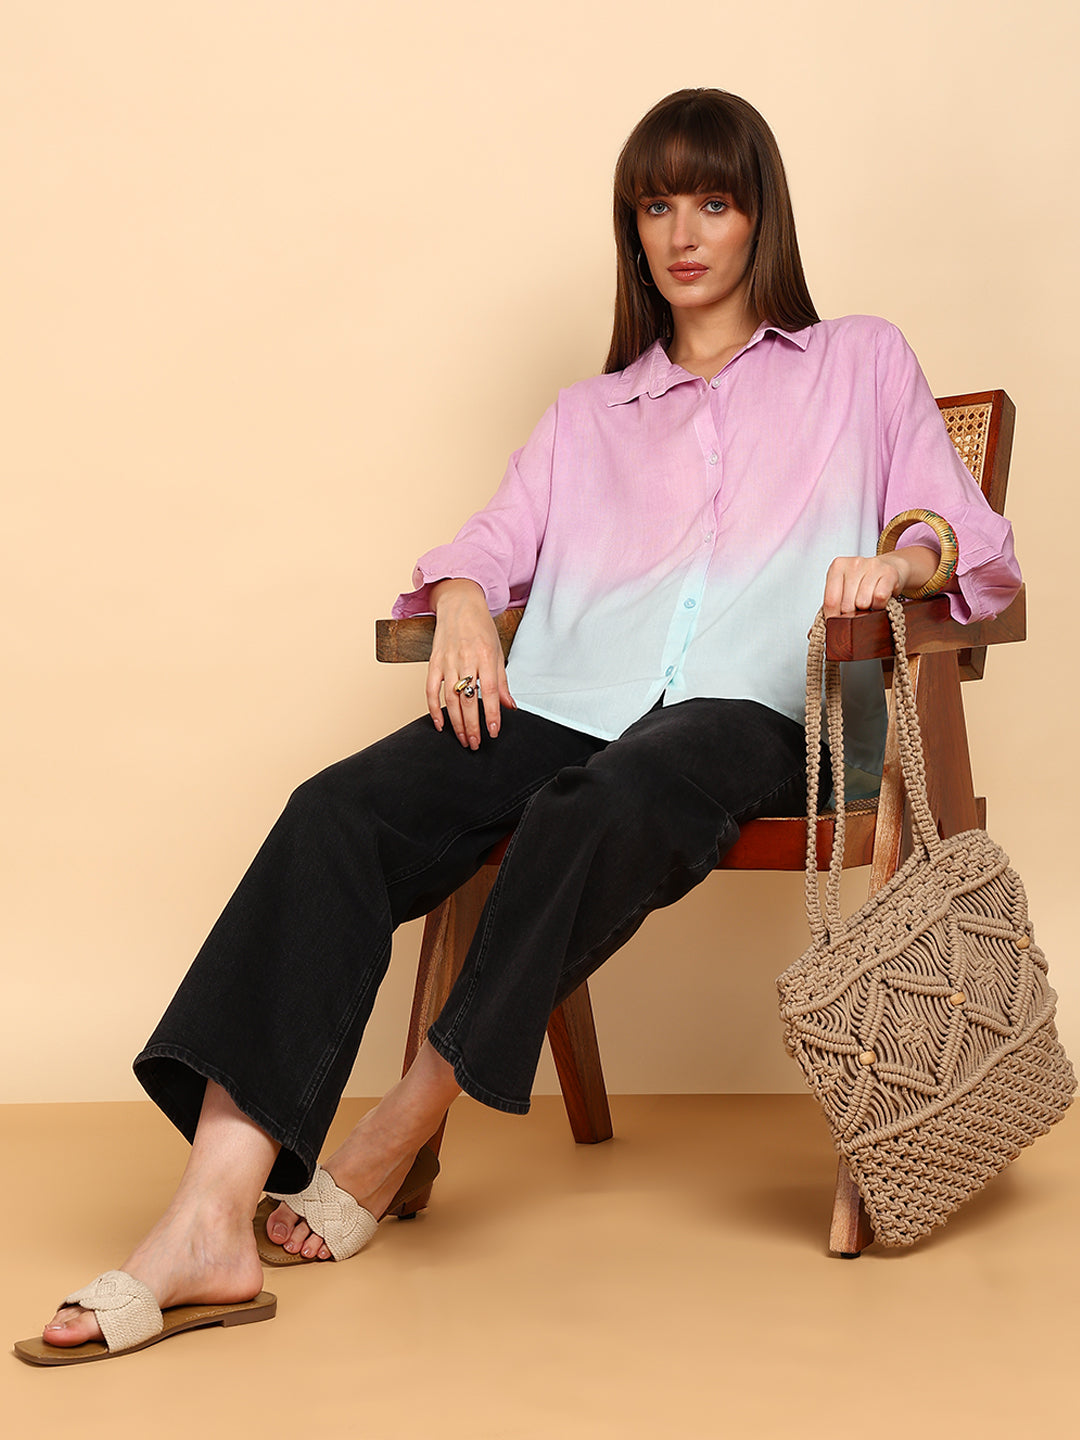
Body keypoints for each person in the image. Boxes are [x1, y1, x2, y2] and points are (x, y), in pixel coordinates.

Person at [20, 87, 1020, 1364]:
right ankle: (209, 1213)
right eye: (655, 206)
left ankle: (402, 1120)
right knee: (338, 813)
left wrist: (901, 560)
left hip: (761, 709)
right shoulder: (584, 417)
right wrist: (458, 596)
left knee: (603, 803)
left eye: (713, 201)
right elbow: (491, 542)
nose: (683, 233)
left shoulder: (859, 362)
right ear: (632, 229)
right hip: (573, 694)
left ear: (760, 215)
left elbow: (959, 534)